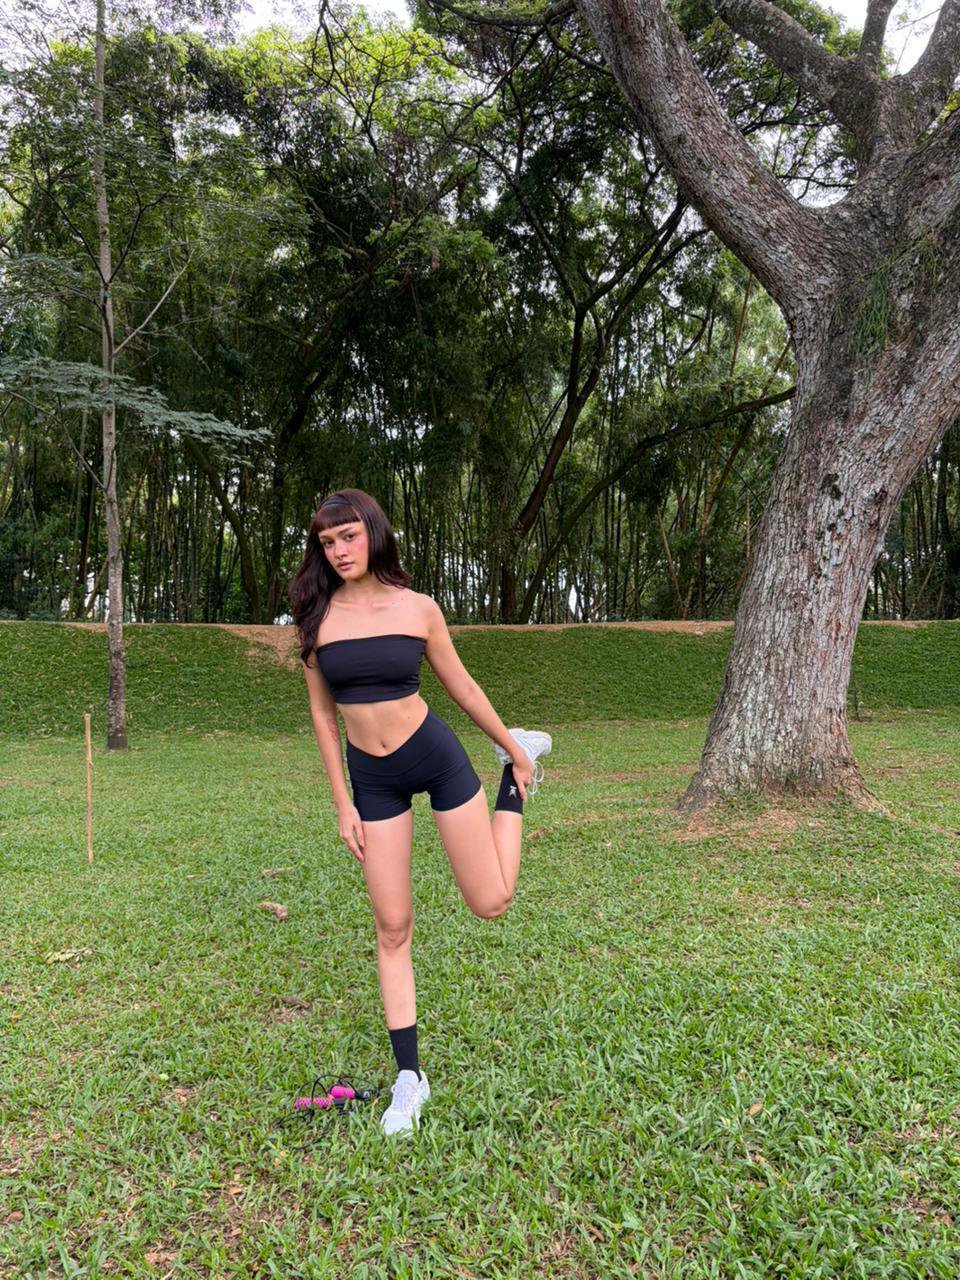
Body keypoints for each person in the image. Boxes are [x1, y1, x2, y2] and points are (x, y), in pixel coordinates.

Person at [288, 489, 552, 1137]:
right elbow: (322, 715)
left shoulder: (419, 608)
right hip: (372, 780)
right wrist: (343, 802)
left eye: (349, 536)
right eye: (327, 542)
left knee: (491, 901)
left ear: (374, 534)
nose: (339, 550)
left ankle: (511, 776)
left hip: (433, 756)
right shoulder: (317, 618)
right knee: (392, 925)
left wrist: (512, 748)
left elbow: (461, 684)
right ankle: (409, 1077)